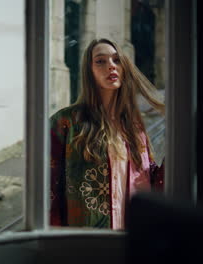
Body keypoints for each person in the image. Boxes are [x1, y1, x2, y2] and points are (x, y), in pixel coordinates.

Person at [49, 38, 164, 230]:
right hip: (87, 244)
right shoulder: (65, 122)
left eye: (116, 60)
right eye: (100, 61)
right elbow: (49, 189)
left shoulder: (134, 126)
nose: (111, 66)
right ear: (89, 71)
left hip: (133, 239)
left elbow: (148, 177)